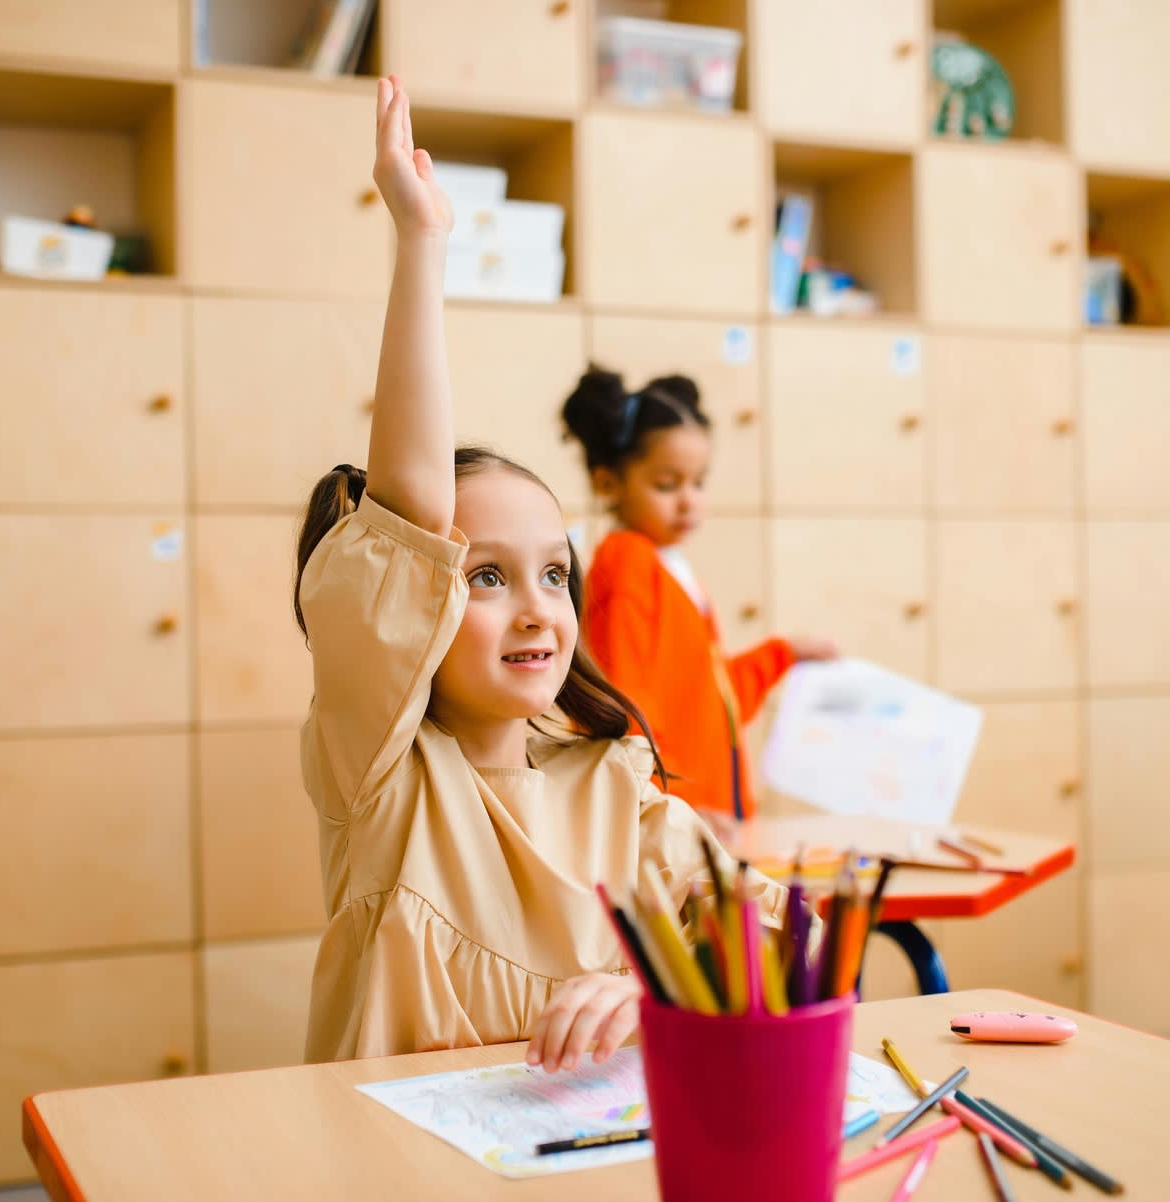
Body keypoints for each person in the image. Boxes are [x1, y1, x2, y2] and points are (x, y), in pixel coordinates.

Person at [293, 77, 792, 1069]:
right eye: (483, 578)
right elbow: (408, 512)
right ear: (419, 598)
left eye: (556, 576)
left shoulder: (617, 782)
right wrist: (421, 242)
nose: (537, 610)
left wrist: (655, 983)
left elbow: (791, 944)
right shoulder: (381, 771)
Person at [562, 367, 836, 826]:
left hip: (708, 820)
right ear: (608, 483)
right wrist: (669, 812)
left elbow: (712, 701)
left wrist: (784, 653)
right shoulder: (628, 561)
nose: (688, 501)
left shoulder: (672, 568)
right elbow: (622, 707)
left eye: (699, 482)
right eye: (667, 485)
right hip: (676, 825)